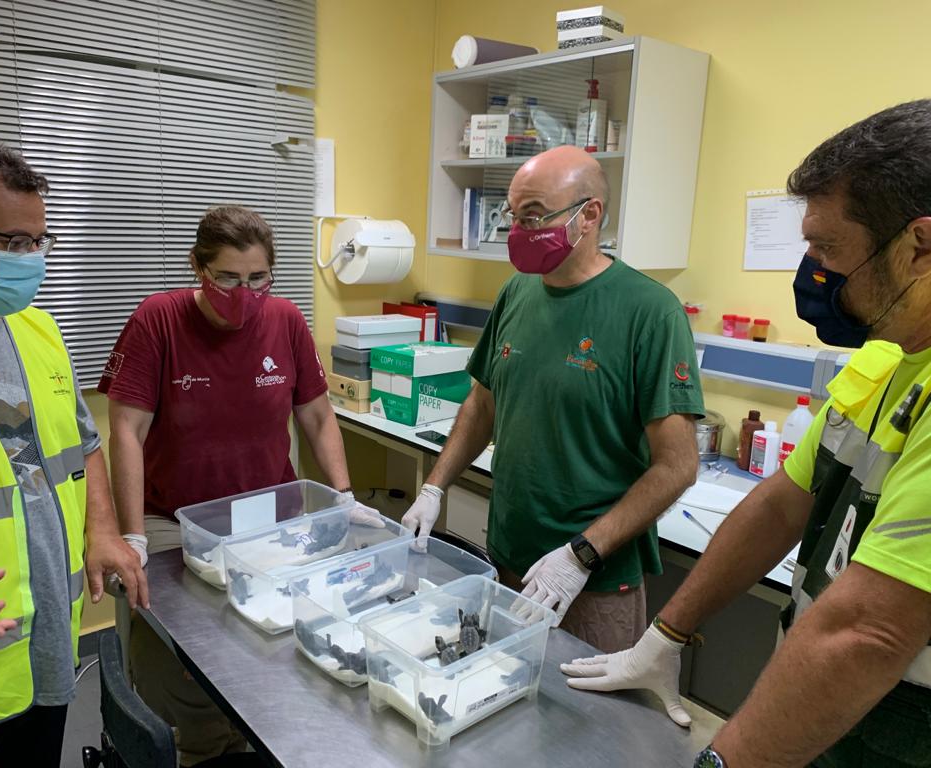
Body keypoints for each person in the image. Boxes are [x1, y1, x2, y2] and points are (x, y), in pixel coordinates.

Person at [562, 100, 931, 768]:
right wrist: (665, 634)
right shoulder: (888, 357)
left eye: (827, 248)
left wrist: (720, 762)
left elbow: (867, 631)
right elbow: (780, 504)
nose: (812, 272)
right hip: (833, 709)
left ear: (920, 247)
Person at [98, 204, 381, 765]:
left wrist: (344, 496)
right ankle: (196, 749)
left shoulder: (286, 322)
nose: (244, 292)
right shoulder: (159, 319)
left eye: (258, 279)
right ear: (197, 267)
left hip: (271, 512)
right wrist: (131, 535)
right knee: (182, 656)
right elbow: (125, 430)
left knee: (271, 638)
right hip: (174, 518)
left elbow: (318, 417)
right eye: (227, 277)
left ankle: (254, 741)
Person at [401, 145, 704, 653]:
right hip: (508, 557)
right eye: (513, 216)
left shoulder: (650, 312)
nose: (519, 230)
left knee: (586, 724)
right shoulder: (517, 291)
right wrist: (434, 488)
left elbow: (677, 466)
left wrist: (581, 556)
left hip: (592, 579)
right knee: (499, 696)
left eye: (534, 216)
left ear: (589, 216)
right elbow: (482, 405)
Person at [0, 131, 146, 766]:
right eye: (13, 243)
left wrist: (102, 526)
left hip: (43, 663)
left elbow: (81, 444)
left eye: (39, 241)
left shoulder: (35, 328)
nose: (32, 260)